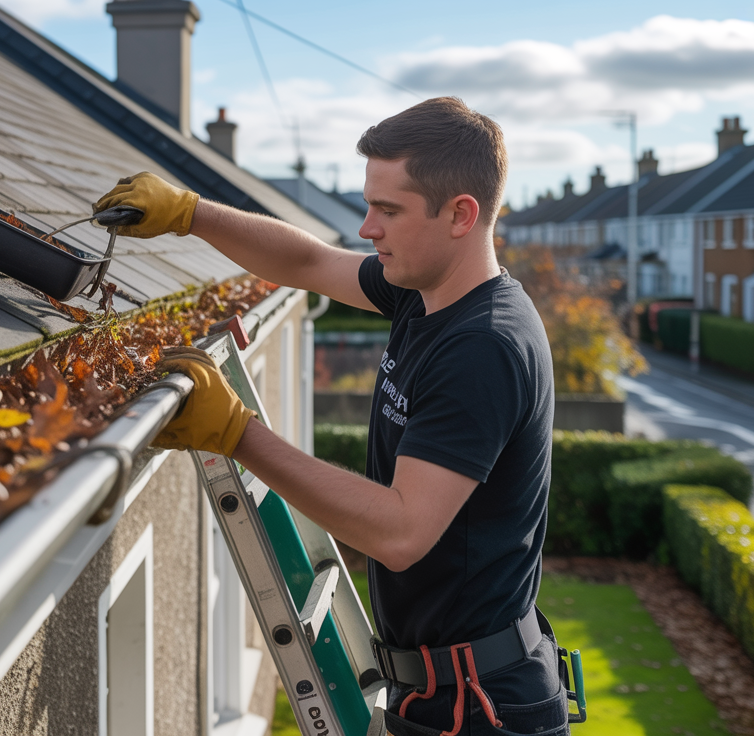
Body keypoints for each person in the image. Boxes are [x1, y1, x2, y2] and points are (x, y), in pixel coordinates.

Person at [95, 97, 567, 736]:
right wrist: (190, 213)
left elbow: (400, 531)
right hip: (442, 691)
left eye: (389, 211)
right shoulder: (424, 293)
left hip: (480, 711)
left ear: (461, 214)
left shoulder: (482, 347)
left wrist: (237, 434)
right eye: (369, 205)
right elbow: (309, 263)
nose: (368, 228)